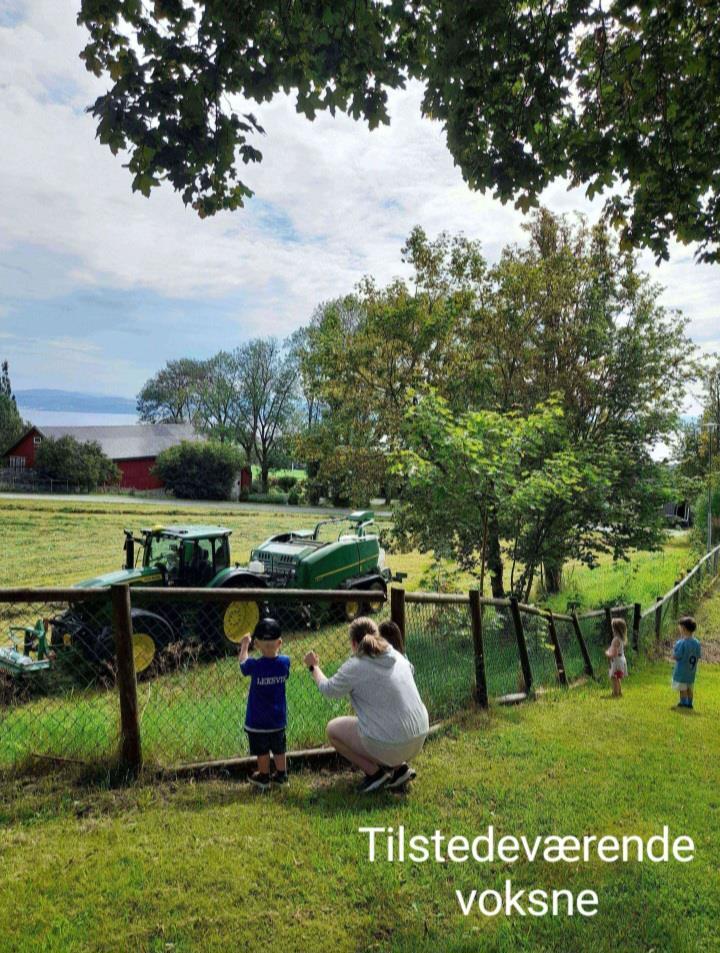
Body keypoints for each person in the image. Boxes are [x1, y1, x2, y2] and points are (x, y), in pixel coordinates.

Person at [303, 617, 429, 794]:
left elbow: (328, 689)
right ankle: (399, 769)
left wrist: (313, 667)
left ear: (354, 643)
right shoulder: (395, 655)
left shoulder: (356, 665)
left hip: (391, 743)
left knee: (333, 730)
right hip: (420, 735)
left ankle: (375, 774)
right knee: (385, 718)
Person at [239, 617, 290, 790]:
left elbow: (242, 664)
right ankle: (282, 775)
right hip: (277, 718)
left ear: (257, 644)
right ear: (280, 643)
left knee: (262, 750)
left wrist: (245, 645)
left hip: (258, 721)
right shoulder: (285, 663)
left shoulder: (254, 665)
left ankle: (264, 776)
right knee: (279, 747)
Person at [672, 616, 701, 710]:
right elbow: (698, 656)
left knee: (683, 688)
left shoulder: (682, 643)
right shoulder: (697, 643)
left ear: (684, 629)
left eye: (680, 628)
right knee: (689, 688)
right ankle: (690, 703)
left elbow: (678, 655)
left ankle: (683, 703)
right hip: (691, 671)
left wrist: (674, 656)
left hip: (682, 671)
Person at [605, 617, 628, 697]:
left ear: (616, 629)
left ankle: (615, 692)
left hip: (617, 660)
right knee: (618, 677)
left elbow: (614, 653)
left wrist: (607, 653)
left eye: (613, 628)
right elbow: (615, 649)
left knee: (614, 678)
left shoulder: (615, 639)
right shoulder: (621, 639)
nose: (612, 630)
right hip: (622, 659)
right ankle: (619, 692)